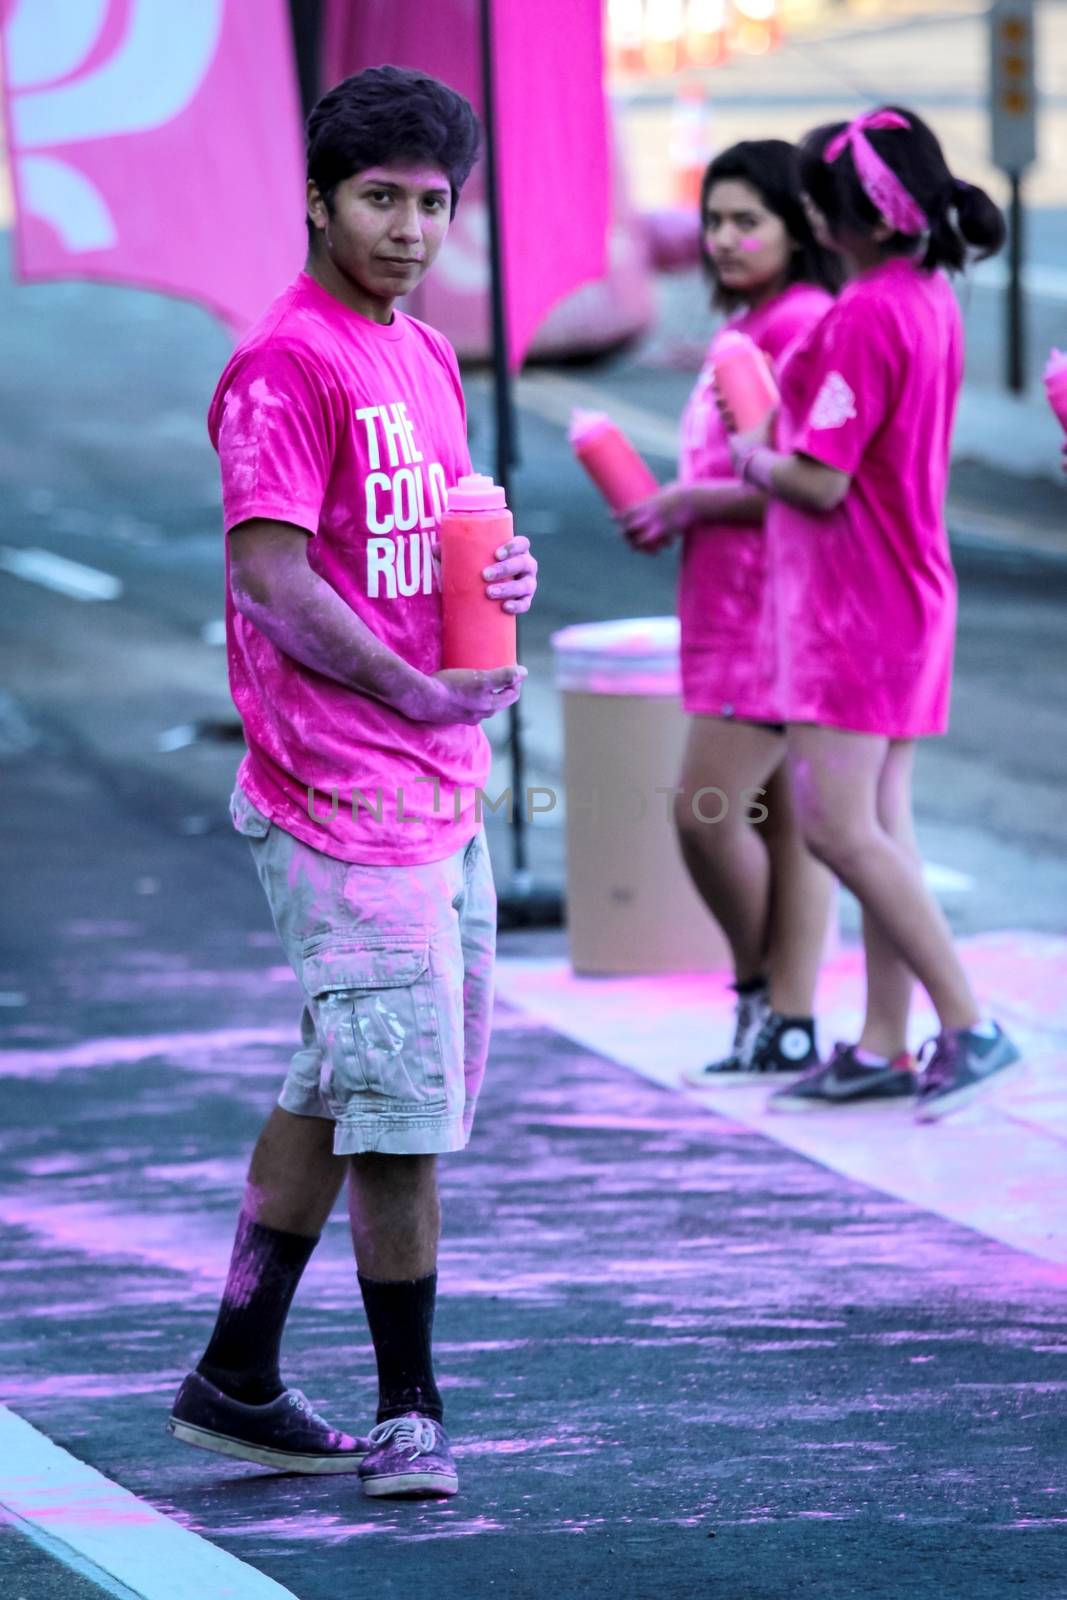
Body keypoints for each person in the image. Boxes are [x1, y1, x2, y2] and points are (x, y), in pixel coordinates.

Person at [166, 66, 537, 1499]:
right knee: (398, 1110)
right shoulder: (287, 362)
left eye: (433, 203)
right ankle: (409, 1412)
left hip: (437, 779)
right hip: (338, 791)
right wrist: (407, 688)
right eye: (379, 199)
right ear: (318, 200)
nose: (408, 229)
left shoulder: (424, 356)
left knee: (354, 1072)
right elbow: (269, 579)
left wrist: (498, 581)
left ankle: (237, 1375)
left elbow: (429, 541)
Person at [721, 106, 1020, 1118]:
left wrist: (752, 448)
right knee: (878, 824)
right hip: (905, 593)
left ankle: (965, 1022)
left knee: (836, 828)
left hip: (852, 608)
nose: (802, 209)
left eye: (814, 196)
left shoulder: (859, 317)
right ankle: (885, 1041)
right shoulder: (927, 296)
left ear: (846, 216)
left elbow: (816, 482)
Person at [619, 142, 840, 1081]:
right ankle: (785, 1021)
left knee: (703, 813)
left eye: (748, 220)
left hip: (774, 611)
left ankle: (763, 994)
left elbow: (810, 479)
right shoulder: (753, 322)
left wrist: (684, 503)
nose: (724, 238)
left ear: (801, 226)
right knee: (776, 822)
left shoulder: (802, 326)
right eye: (713, 220)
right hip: (728, 599)